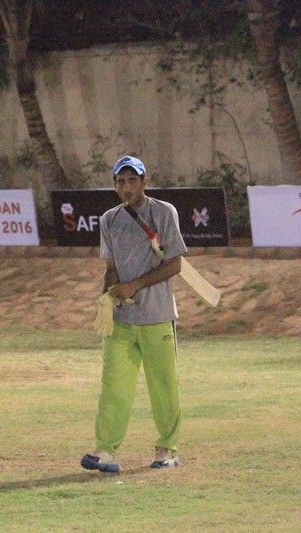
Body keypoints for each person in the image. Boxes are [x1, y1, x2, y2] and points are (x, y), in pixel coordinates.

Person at [81, 155, 187, 473]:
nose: (126, 187)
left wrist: (135, 285)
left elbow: (175, 264)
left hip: (157, 315)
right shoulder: (109, 219)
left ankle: (167, 449)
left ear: (144, 181)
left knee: (163, 385)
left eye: (132, 180)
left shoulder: (163, 212)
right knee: (113, 385)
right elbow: (111, 267)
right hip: (123, 320)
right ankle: (104, 450)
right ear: (115, 185)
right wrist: (107, 299)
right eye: (120, 182)